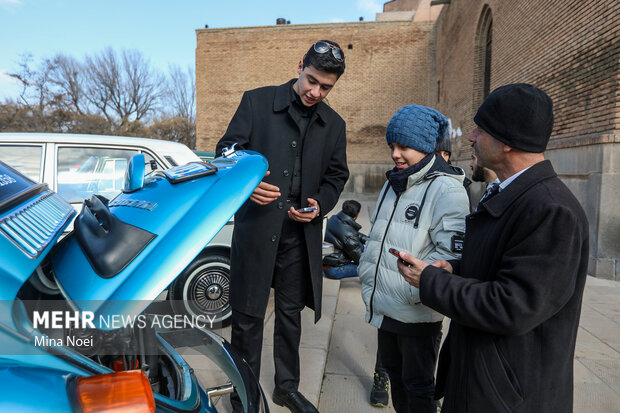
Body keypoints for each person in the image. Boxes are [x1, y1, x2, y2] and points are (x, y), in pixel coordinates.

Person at [397, 83, 589, 413]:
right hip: (481, 379)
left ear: (508, 142)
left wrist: (431, 281)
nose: (471, 137)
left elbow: (513, 307)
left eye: (481, 129)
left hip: (508, 396)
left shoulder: (551, 210)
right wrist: (454, 270)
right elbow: (501, 269)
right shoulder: (512, 193)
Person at [215, 40, 349, 413]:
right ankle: (243, 393)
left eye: (325, 88)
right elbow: (226, 151)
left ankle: (286, 388)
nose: (315, 92)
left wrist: (321, 203)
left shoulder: (334, 124)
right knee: (247, 316)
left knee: (290, 317)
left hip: (299, 237)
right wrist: (248, 184)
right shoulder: (256, 102)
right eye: (311, 81)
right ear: (300, 65)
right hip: (257, 230)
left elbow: (337, 175)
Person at [358, 104, 470, 413]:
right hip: (384, 307)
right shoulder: (394, 182)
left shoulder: (447, 189)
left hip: (416, 312)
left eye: (403, 146)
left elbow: (451, 257)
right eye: (392, 146)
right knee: (397, 383)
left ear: (424, 147)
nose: (395, 154)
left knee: (419, 390)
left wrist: (414, 288)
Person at [322, 200, 368, 279]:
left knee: (357, 243)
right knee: (367, 268)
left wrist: (368, 240)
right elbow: (361, 260)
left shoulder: (334, 218)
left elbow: (352, 234)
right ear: (356, 215)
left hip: (327, 262)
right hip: (334, 270)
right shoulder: (349, 234)